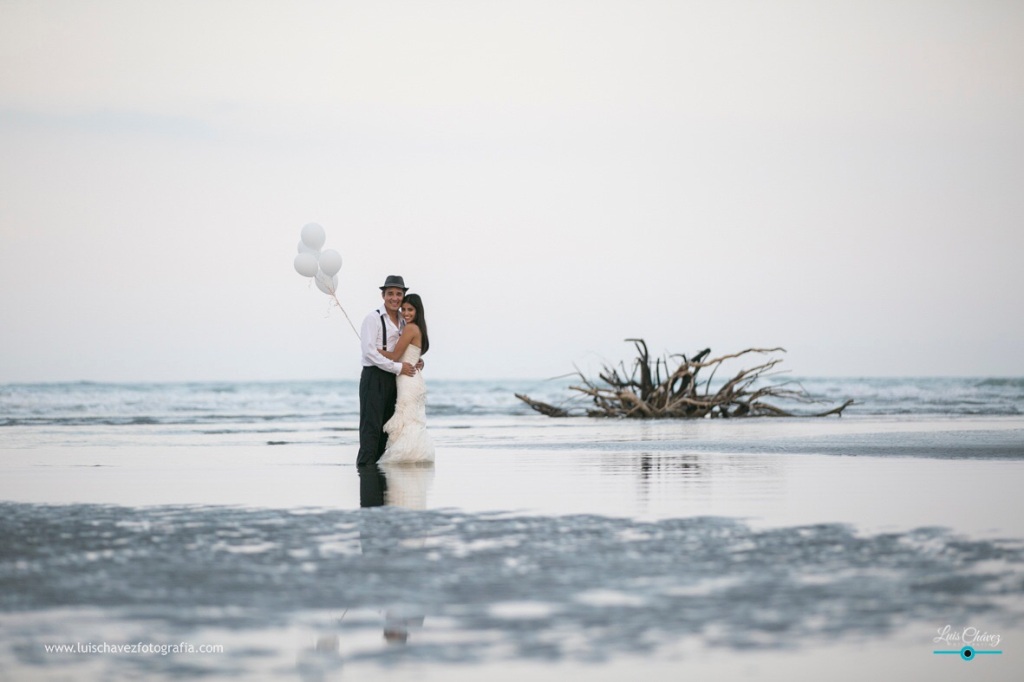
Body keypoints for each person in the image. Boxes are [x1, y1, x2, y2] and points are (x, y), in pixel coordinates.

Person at [356, 275, 417, 467]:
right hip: (374, 377)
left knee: (388, 428)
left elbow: (403, 349)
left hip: (395, 379)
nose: (394, 298)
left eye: (399, 294)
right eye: (390, 293)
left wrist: (416, 360)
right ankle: (364, 469)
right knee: (371, 428)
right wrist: (398, 367)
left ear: (403, 296)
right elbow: (369, 353)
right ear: (383, 295)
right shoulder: (372, 318)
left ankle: (377, 475)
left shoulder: (404, 321)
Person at [377, 293, 435, 464]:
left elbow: (395, 356)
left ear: (418, 311)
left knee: (407, 418)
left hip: (408, 380)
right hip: (411, 379)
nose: (406, 312)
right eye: (403, 309)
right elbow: (411, 354)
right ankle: (412, 455)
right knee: (410, 419)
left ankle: (407, 456)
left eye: (410, 309)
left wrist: (373, 350)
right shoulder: (415, 328)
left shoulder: (410, 328)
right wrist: (419, 360)